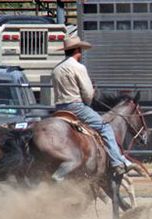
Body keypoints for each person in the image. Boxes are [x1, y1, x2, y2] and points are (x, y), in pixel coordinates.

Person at [51, 36, 137, 181]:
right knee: (105, 128)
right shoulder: (78, 67)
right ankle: (118, 162)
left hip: (59, 108)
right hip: (76, 107)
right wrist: (89, 99)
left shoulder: (57, 69)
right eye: (81, 50)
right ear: (77, 50)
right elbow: (88, 93)